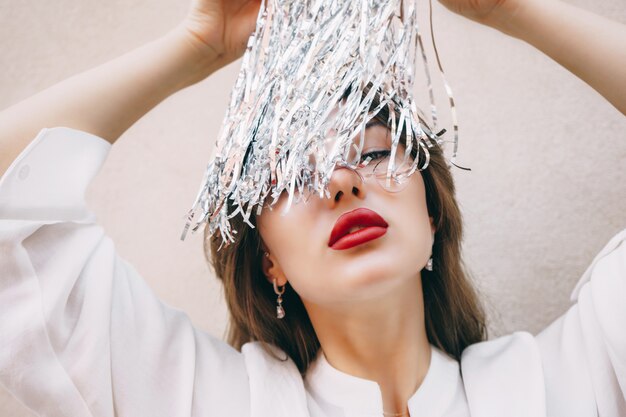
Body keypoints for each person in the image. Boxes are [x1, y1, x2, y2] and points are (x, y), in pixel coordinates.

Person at [0, 0, 624, 416]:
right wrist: (199, 45)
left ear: (432, 213)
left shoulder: (553, 388)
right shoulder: (203, 398)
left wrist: (510, 8)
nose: (342, 186)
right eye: (296, 175)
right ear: (268, 259)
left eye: (376, 153)